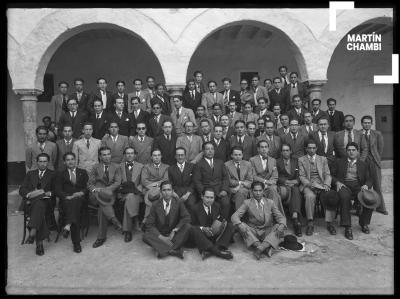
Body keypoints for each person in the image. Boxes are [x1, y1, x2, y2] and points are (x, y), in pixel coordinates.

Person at [231, 181, 286, 260]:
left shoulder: (270, 202)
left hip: (267, 231)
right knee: (241, 226)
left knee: (279, 227)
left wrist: (282, 225)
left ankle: (259, 248)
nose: (258, 193)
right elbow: (234, 216)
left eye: (260, 190)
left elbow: (281, 217)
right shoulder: (247, 203)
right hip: (254, 231)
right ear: (251, 191)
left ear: (263, 191)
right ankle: (265, 247)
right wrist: (240, 225)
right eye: (255, 191)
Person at [331, 142, 375, 239]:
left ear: (357, 152)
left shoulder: (363, 164)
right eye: (349, 150)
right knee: (345, 197)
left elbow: (369, 178)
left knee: (370, 198)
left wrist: (366, 185)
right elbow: (331, 175)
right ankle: (348, 227)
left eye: (353, 150)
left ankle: (364, 223)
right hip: (344, 185)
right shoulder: (339, 162)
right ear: (346, 151)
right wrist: (337, 182)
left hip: (358, 186)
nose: (351, 152)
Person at [142, 181, 192, 259]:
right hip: (160, 234)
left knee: (187, 226)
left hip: (173, 235)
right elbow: (149, 224)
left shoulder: (178, 202)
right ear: (161, 192)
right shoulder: (155, 205)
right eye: (164, 190)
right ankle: (174, 250)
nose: (167, 192)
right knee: (145, 236)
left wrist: (175, 230)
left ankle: (162, 249)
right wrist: (161, 237)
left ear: (172, 191)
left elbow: (186, 217)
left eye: (169, 190)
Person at [19, 153, 56, 256]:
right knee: (39, 206)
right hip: (30, 202)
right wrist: (29, 194)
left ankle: (36, 240)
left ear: (48, 162)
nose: (43, 164)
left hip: (47, 202)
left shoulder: (53, 174)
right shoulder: (30, 174)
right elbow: (22, 189)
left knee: (39, 204)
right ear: (37, 162)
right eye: (41, 161)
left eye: (45, 161)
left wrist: (50, 193)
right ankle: (35, 235)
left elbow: (57, 190)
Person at [298, 139, 336, 236]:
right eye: (309, 148)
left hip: (322, 184)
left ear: (316, 148)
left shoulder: (322, 159)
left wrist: (327, 184)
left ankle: (329, 223)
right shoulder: (301, 159)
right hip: (308, 184)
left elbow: (327, 174)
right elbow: (301, 176)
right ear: (306, 149)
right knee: (310, 197)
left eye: (314, 148)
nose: (311, 150)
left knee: (329, 195)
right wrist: (309, 184)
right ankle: (310, 222)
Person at [88, 146, 123, 248]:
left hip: (110, 194)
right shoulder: (95, 167)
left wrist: (106, 190)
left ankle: (101, 237)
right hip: (96, 194)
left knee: (102, 209)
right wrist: (95, 189)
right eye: (104, 155)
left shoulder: (116, 167)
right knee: (101, 198)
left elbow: (117, 182)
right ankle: (113, 219)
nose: (107, 157)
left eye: (108, 154)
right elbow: (90, 183)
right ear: (100, 156)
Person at [54, 152, 88, 253]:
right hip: (66, 201)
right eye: (68, 160)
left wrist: (81, 193)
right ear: (64, 162)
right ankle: (76, 243)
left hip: (80, 199)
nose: (70, 161)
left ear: (75, 160)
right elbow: (57, 189)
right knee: (73, 207)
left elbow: (87, 187)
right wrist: (66, 196)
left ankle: (68, 225)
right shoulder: (60, 174)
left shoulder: (83, 172)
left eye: (72, 159)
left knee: (75, 203)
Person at [190, 188, 235, 260]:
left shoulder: (217, 206)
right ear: (202, 197)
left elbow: (220, 219)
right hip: (202, 236)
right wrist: (202, 228)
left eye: (211, 198)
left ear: (214, 198)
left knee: (230, 225)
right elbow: (191, 225)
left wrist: (221, 225)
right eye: (207, 197)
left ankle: (214, 248)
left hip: (214, 234)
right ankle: (217, 252)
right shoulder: (194, 208)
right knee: (195, 229)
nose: (209, 200)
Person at [193, 142, 230, 220]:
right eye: (207, 149)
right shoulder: (198, 164)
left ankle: (222, 223)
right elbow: (197, 181)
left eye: (212, 149)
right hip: (207, 192)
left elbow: (226, 177)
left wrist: (224, 189)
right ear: (203, 151)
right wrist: (204, 193)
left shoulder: (220, 162)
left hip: (220, 191)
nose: (210, 151)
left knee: (226, 203)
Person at [360, 115, 387, 215]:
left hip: (374, 162)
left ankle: (381, 207)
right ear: (362, 124)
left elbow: (380, 148)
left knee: (377, 185)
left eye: (368, 123)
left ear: (371, 124)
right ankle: (362, 207)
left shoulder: (377, 133)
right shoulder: (359, 133)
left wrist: (376, 159)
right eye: (365, 123)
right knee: (363, 185)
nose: (367, 124)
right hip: (363, 162)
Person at [249, 140, 285, 215]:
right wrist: (265, 182)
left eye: (266, 147)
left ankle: (274, 214)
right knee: (263, 190)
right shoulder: (252, 160)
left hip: (270, 185)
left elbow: (275, 176)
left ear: (268, 149)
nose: (264, 149)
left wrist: (269, 183)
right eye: (262, 147)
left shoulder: (273, 160)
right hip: (257, 184)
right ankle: (262, 216)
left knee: (273, 189)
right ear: (258, 149)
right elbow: (253, 176)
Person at [118, 147, 144, 242]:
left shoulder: (141, 166)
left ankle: (127, 230)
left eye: (132, 153)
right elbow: (117, 182)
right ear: (124, 155)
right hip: (123, 193)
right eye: (127, 153)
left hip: (137, 193)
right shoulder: (119, 166)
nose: (129, 155)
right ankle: (135, 219)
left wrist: (136, 190)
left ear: (135, 155)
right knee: (129, 197)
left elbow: (143, 182)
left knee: (130, 197)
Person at [276, 143, 302, 237]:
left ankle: (295, 217)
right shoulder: (277, 162)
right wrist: (286, 181)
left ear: (290, 151)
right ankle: (295, 218)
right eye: (284, 150)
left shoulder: (296, 161)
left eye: (287, 150)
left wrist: (296, 181)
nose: (286, 152)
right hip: (283, 185)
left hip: (294, 184)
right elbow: (276, 176)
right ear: (281, 152)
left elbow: (300, 174)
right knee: (294, 190)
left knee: (295, 189)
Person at [141, 149, 169, 224]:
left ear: (161, 156)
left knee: (158, 196)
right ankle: (148, 220)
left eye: (158, 155)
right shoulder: (146, 167)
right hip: (149, 189)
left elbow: (166, 180)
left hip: (161, 189)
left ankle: (147, 219)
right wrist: (155, 186)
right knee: (151, 195)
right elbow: (144, 180)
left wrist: (156, 185)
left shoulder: (166, 167)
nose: (156, 157)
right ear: (151, 157)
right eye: (154, 155)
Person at [168, 147, 197, 216]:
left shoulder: (192, 166)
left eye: (182, 155)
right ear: (175, 156)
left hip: (189, 192)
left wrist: (187, 194)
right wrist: (173, 193)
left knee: (191, 204)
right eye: (178, 155)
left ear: (185, 155)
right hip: (176, 192)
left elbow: (194, 182)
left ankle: (190, 224)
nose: (180, 157)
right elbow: (170, 182)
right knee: (174, 205)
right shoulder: (170, 168)